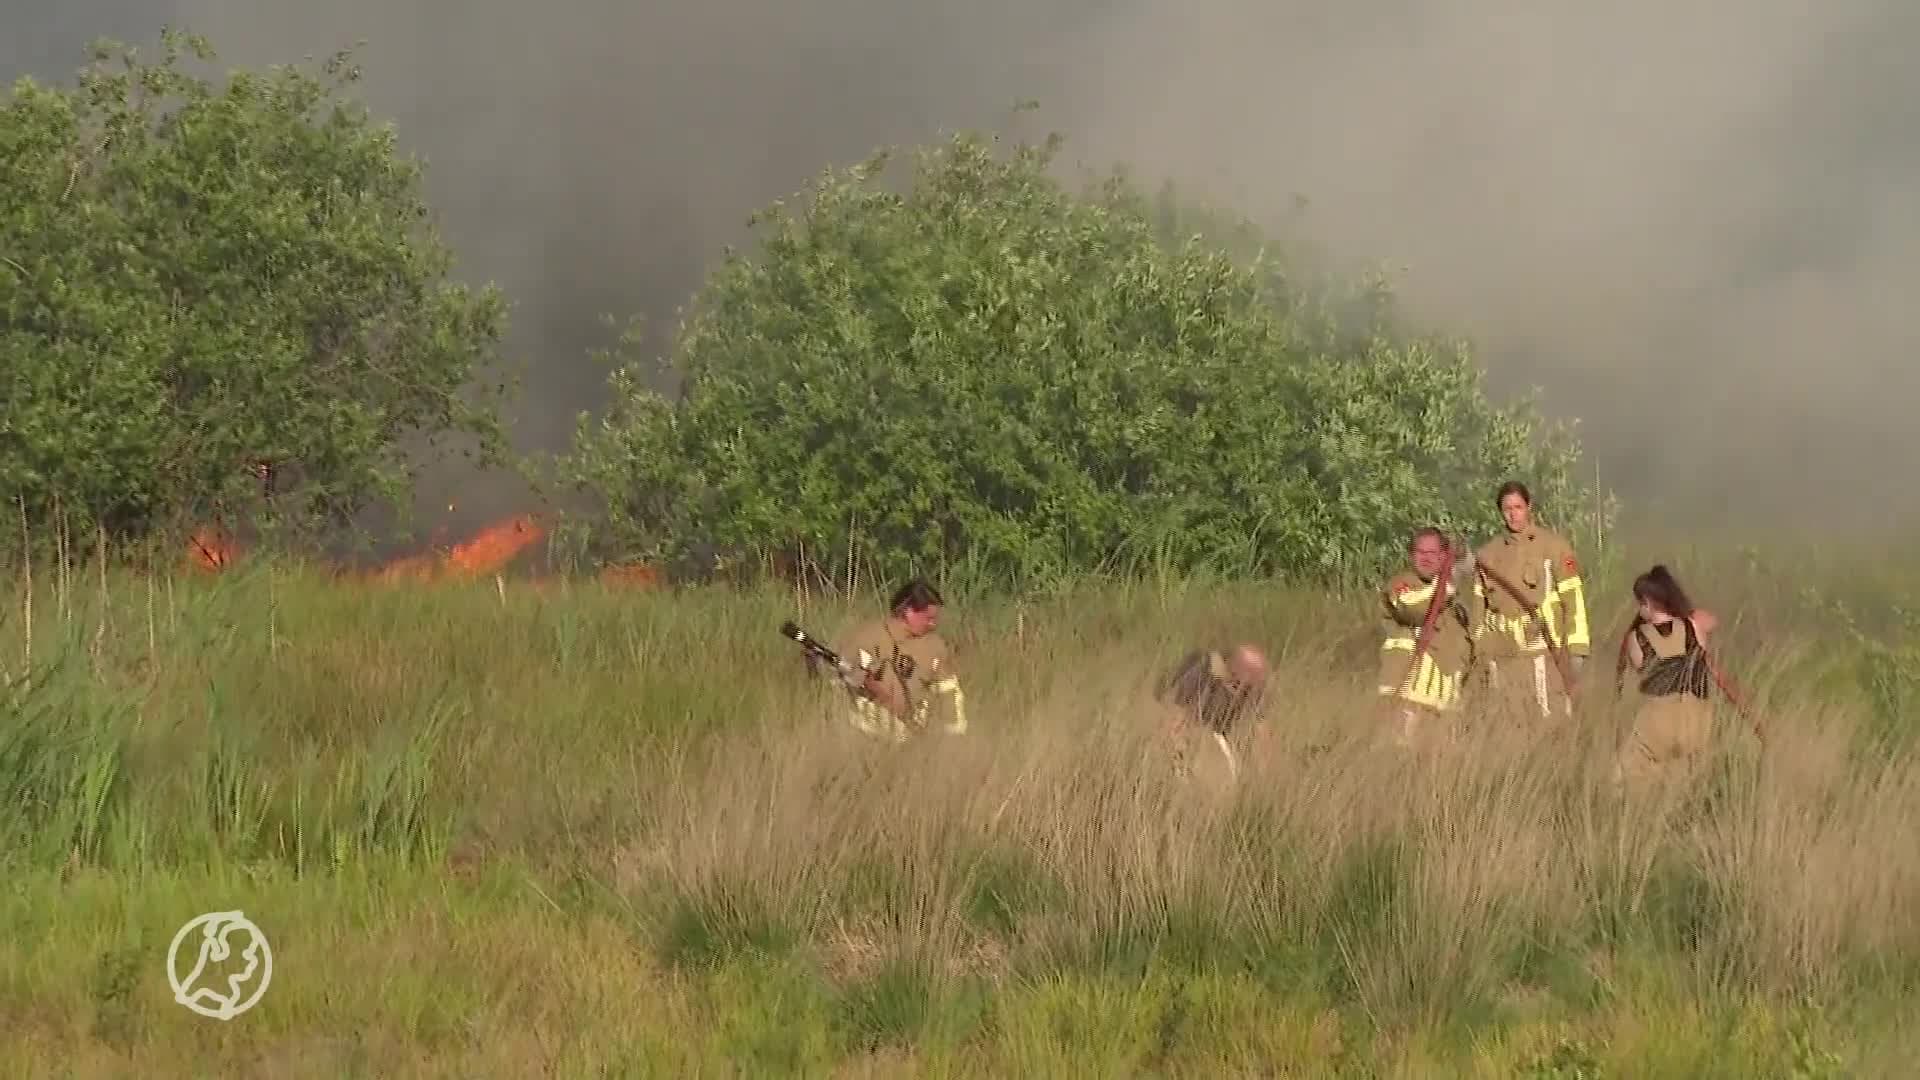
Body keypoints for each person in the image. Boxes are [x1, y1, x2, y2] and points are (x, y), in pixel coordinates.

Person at [1470, 480, 1592, 722]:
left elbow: (1573, 601)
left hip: (1545, 654)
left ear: (1529, 507)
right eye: (1507, 509)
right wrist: (1478, 655)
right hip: (1502, 659)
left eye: (1518, 507)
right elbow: (1478, 613)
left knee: (1551, 726)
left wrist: (1577, 651)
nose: (1513, 514)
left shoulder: (1555, 547)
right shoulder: (1487, 555)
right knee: (1505, 727)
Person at [1613, 565, 1723, 784]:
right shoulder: (1693, 626)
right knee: (1686, 778)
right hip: (1699, 720)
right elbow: (1707, 661)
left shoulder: (1638, 637)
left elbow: (1641, 673)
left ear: (1647, 602)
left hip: (1660, 719)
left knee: (1621, 777)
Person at [828, 578, 966, 742]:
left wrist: (954, 734)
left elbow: (948, 691)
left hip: (915, 737)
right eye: (928, 618)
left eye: (935, 619)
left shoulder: (934, 646)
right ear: (908, 612)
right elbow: (840, 684)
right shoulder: (866, 638)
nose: (933, 624)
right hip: (866, 736)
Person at [1378, 527, 1474, 748]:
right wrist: (1446, 585)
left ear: (1443, 557)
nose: (1426, 558)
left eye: (1432, 553)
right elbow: (1414, 608)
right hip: (1407, 695)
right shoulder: (1401, 585)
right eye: (1420, 552)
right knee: (1402, 758)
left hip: (1444, 702)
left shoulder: (1454, 605)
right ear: (1412, 555)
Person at [1153, 644, 1270, 788]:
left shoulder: (1253, 687)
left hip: (1220, 723)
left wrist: (1267, 774)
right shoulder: (1200, 676)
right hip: (1194, 715)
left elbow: (1262, 730)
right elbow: (1176, 721)